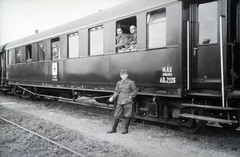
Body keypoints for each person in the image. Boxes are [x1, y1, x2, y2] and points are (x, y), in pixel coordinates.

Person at [107, 69, 138, 134]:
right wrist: (112, 97)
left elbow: (135, 91)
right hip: (120, 100)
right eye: (122, 75)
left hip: (127, 101)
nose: (123, 76)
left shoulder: (131, 82)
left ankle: (125, 129)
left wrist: (130, 96)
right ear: (120, 76)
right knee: (116, 115)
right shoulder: (119, 83)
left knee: (127, 115)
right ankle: (113, 129)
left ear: (127, 75)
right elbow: (116, 92)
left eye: (124, 75)